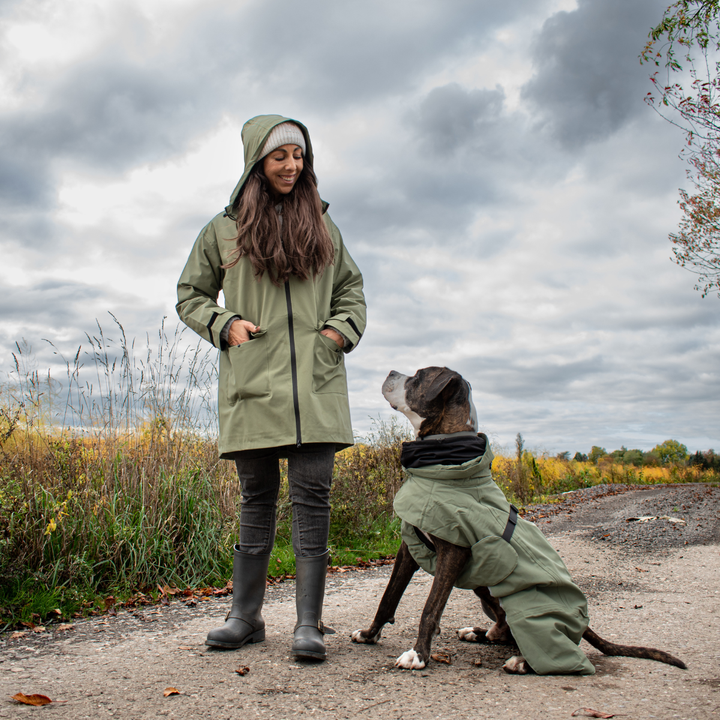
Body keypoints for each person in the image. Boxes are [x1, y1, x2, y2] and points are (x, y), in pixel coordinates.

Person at [176, 114, 366, 661]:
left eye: (300, 157)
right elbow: (190, 295)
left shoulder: (326, 229)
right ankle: (245, 617)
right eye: (281, 156)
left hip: (315, 384)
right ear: (257, 159)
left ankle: (309, 624)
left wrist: (335, 334)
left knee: (313, 500)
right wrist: (225, 324)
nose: (292, 166)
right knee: (256, 500)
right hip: (252, 384)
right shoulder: (223, 229)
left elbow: (352, 291)